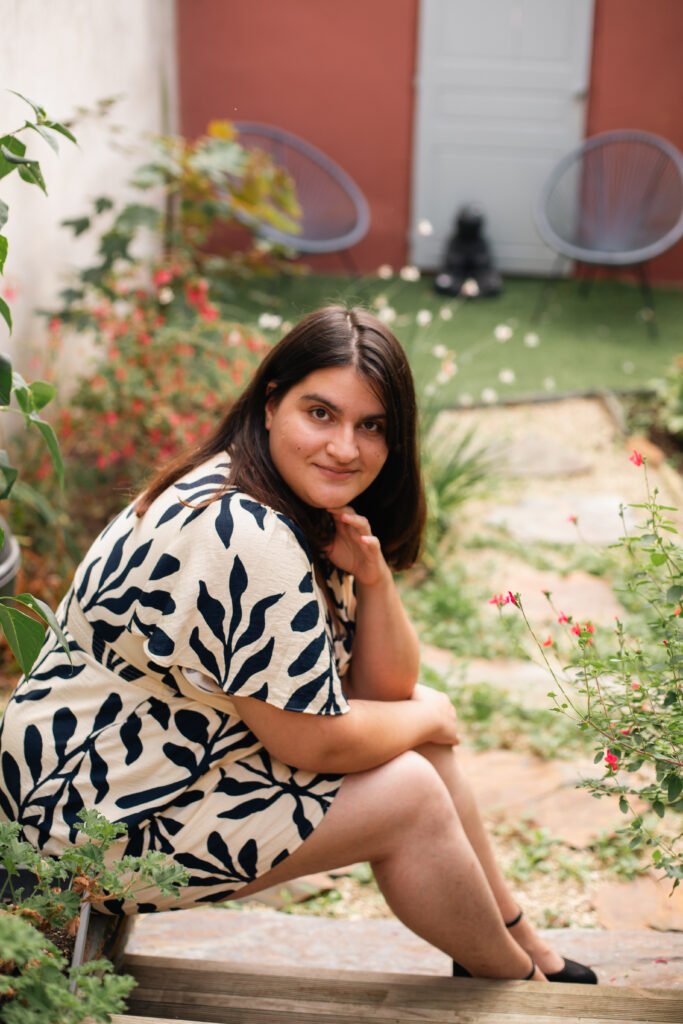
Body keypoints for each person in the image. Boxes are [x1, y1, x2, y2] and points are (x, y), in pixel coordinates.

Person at [0, 305, 596, 983]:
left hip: (148, 772)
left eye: (371, 426)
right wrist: (431, 716)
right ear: (270, 403)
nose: (344, 448)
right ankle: (516, 986)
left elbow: (384, 691)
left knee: (418, 738)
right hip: (82, 826)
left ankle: (520, 941)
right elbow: (311, 742)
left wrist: (372, 578)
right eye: (321, 414)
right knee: (410, 793)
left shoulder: (281, 496)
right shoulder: (243, 532)